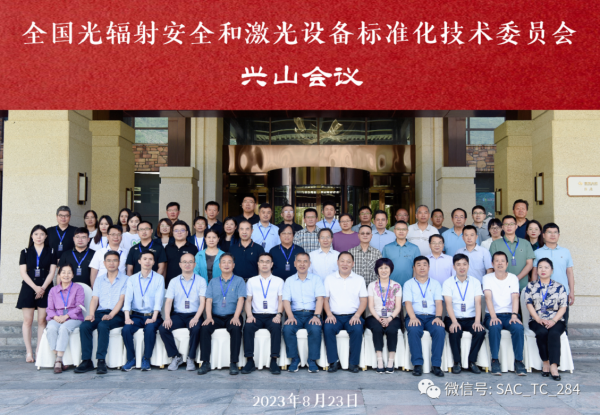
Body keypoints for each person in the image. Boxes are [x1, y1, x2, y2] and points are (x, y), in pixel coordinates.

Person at [75, 250, 127, 375]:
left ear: (119, 262)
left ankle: (101, 360)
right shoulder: (99, 280)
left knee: (103, 325)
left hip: (117, 314)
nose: (111, 263)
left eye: (114, 260)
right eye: (108, 260)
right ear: (104, 263)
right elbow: (94, 299)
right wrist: (91, 314)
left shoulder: (126, 279)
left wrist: (111, 315)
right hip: (100, 312)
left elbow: (122, 300)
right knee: (85, 326)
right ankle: (86, 360)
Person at [198, 253, 246, 375]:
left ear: (233, 265)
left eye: (229, 262)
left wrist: (236, 317)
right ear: (219, 265)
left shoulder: (239, 280)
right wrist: (209, 317)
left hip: (232, 316)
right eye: (223, 262)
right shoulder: (213, 282)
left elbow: (241, 300)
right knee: (205, 328)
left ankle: (233, 363)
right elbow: (209, 300)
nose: (226, 264)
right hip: (216, 317)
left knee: (236, 328)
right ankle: (205, 362)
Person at [159, 253, 207, 371]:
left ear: (194, 264)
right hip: (178, 315)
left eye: (190, 262)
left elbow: (203, 302)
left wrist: (196, 318)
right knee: (163, 328)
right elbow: (168, 301)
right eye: (184, 262)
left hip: (194, 314)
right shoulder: (174, 281)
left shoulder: (201, 281)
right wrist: (167, 317)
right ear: (180, 264)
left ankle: (191, 357)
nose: (187, 264)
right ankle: (176, 356)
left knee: (196, 328)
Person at [17, 225, 57, 363]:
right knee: (27, 321)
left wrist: (42, 288)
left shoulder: (51, 251)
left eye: (42, 234)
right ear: (31, 236)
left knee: (42, 320)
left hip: (45, 288)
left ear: (46, 236)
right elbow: (23, 272)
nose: (39, 237)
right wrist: (35, 288)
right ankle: (29, 352)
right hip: (29, 287)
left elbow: (52, 272)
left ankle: (39, 350)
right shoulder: (25, 252)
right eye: (36, 234)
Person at [323, 252, 368, 373]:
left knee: (357, 329)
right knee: (328, 328)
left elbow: (364, 300)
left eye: (348, 261)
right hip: (334, 315)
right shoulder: (329, 278)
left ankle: (353, 363)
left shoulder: (359, 279)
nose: (345, 264)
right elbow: (325, 299)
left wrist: (357, 315)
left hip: (353, 315)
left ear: (353, 264)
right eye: (342, 261)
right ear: (337, 263)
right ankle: (333, 362)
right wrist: (329, 314)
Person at [483, 252, 526, 376]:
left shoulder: (513, 278)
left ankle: (519, 361)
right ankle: (495, 360)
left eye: (502, 261)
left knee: (518, 327)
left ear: (507, 264)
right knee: (494, 326)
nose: (500, 263)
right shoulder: (487, 278)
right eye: (497, 261)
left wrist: (514, 315)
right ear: (492, 264)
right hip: (492, 314)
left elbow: (515, 297)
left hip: (510, 314)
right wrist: (493, 316)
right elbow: (488, 298)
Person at [121, 252, 165, 372]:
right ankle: (131, 359)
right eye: (145, 259)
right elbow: (127, 299)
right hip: (136, 315)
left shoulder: (159, 278)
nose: (147, 261)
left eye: (150, 259)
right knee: (126, 329)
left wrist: (154, 317)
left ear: (154, 262)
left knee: (150, 329)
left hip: (152, 315)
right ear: (139, 261)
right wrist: (127, 318)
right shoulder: (132, 279)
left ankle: (146, 358)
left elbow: (159, 300)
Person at [525, 258, 568, 381]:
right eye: (540, 267)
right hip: (537, 320)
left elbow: (563, 307)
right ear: (537, 270)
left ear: (552, 270)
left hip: (556, 320)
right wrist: (538, 319)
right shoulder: (531, 286)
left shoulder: (560, 287)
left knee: (554, 333)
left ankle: (554, 366)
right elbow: (529, 305)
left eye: (546, 267)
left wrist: (553, 320)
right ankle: (545, 362)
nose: (543, 270)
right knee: (542, 332)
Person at [442, 254, 486, 374]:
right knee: (455, 330)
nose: (462, 267)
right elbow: (448, 304)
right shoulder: (448, 283)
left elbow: (478, 303)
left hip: (471, 318)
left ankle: (472, 361)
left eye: (464, 264)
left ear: (468, 266)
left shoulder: (475, 282)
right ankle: (457, 362)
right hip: (453, 318)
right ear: (454, 267)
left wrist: (477, 321)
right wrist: (454, 321)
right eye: (458, 265)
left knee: (480, 332)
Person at [242, 253, 285, 375]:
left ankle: (274, 360)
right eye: (262, 261)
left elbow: (281, 300)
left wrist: (278, 315)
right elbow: (248, 300)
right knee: (248, 327)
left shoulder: (279, 281)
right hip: (256, 315)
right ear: (258, 264)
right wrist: (249, 315)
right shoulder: (251, 281)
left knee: (276, 328)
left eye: (267, 261)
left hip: (273, 315)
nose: (264, 264)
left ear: (272, 264)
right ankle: (250, 360)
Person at [282, 252, 325, 373]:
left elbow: (320, 299)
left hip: (312, 314)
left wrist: (316, 315)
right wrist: (290, 316)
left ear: (309, 264)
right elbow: (286, 300)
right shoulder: (289, 280)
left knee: (315, 328)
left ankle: (312, 360)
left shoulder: (316, 279)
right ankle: (294, 359)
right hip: (295, 314)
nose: (302, 264)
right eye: (299, 261)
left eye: (305, 261)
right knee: (287, 329)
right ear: (294, 264)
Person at [403, 256, 445, 377]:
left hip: (432, 317)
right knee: (414, 329)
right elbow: (408, 303)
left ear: (429, 267)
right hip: (415, 315)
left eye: (424, 265)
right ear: (414, 268)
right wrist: (412, 317)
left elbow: (439, 302)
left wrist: (438, 317)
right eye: (419, 265)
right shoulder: (408, 284)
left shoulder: (435, 284)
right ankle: (417, 364)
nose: (422, 267)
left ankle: (436, 365)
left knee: (439, 330)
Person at [532, 223, 575, 326]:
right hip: (542, 293)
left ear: (558, 235)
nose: (553, 235)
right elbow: (534, 273)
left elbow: (569, 273)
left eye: (555, 232)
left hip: (562, 293)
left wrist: (572, 292)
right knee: (543, 324)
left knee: (563, 323)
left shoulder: (565, 252)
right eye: (549, 232)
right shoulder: (537, 252)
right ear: (543, 235)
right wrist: (534, 291)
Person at [45, 264, 85, 373]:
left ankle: (58, 360)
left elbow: (79, 306)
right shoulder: (53, 290)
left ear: (73, 275)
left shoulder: (78, 288)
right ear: (59, 274)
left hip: (73, 318)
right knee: (51, 328)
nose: (66, 275)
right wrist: (56, 317)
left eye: (69, 272)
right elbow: (49, 309)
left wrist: (66, 316)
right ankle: (58, 355)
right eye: (63, 272)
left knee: (64, 328)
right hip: (57, 317)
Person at [366, 258, 403, 374]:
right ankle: (380, 360)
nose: (383, 270)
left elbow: (398, 307)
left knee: (392, 329)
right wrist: (379, 318)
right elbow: (370, 306)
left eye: (386, 267)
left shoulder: (396, 285)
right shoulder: (372, 285)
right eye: (381, 268)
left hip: (392, 316)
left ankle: (391, 361)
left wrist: (389, 319)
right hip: (375, 316)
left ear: (391, 269)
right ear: (377, 270)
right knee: (377, 328)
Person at [490, 215, 535, 292]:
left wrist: (516, 278)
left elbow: (529, 264)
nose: (509, 226)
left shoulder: (525, 243)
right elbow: (494, 265)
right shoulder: (495, 244)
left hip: (522, 286)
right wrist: (507, 280)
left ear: (516, 226)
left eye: (511, 224)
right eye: (506, 224)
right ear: (502, 227)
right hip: (502, 285)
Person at [382, 221, 420, 286]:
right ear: (394, 231)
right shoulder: (387, 248)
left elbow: (417, 268)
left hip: (409, 285)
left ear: (407, 231)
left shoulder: (415, 248)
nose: (401, 231)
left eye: (404, 229)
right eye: (398, 229)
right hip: (390, 285)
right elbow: (383, 267)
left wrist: (414, 284)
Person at [165, 220, 199, 287]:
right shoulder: (168, 247)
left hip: (188, 285)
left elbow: (196, 267)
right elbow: (164, 267)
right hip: (169, 284)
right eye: (176, 230)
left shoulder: (193, 248)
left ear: (187, 233)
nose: (179, 232)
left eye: (182, 230)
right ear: (173, 232)